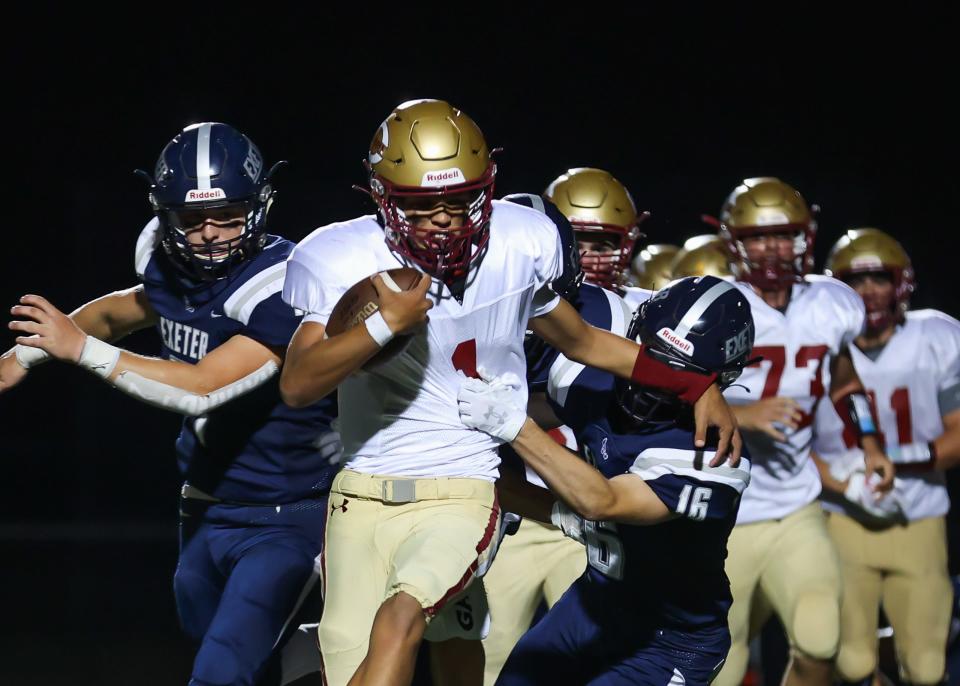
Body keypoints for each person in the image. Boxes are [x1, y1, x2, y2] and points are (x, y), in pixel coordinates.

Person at [279, 99, 741, 686]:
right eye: (424, 206)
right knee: (347, 663)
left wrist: (695, 383)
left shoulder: (519, 242)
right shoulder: (339, 255)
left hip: (465, 484)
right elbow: (297, 385)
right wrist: (383, 324)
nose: (445, 220)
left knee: (401, 622)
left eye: (460, 200)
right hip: (361, 489)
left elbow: (587, 342)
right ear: (382, 198)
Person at [1, 122, 338, 686]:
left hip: (288, 512)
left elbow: (202, 385)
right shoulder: (166, 263)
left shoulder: (282, 285)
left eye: (228, 214)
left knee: (220, 670)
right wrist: (19, 359)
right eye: (191, 218)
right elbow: (117, 313)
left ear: (259, 206)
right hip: (204, 504)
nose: (210, 233)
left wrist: (80, 351)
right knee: (233, 654)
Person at [459, 275, 755, 685]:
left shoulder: (713, 457)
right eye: (654, 362)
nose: (650, 389)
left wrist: (513, 424)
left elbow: (602, 502)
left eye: (680, 378)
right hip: (593, 603)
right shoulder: (590, 381)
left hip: (668, 640)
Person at [710, 178, 895, 686]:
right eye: (756, 237)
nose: (770, 249)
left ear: (804, 238)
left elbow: (843, 378)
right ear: (734, 242)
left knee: (821, 643)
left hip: (796, 505)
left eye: (782, 236)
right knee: (720, 669)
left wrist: (871, 441)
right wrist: (744, 414)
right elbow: (669, 394)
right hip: (722, 510)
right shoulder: (714, 302)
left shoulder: (833, 302)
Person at [812, 228, 960, 686]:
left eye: (878, 277)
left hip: (917, 513)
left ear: (903, 283)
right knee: (850, 661)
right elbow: (787, 442)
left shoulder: (938, 335)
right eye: (855, 281)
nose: (868, 292)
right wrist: (843, 481)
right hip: (840, 515)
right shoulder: (814, 343)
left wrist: (897, 459)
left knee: (928, 668)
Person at [544, 167, 653, 309]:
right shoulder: (521, 302)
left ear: (625, 247)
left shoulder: (646, 310)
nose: (586, 260)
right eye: (573, 246)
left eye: (600, 248)